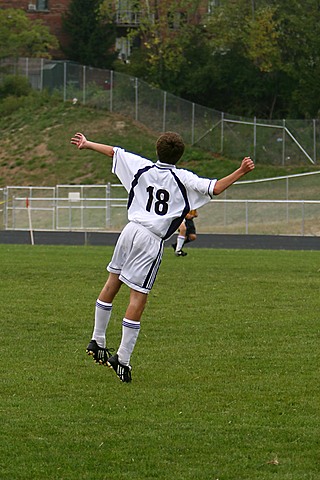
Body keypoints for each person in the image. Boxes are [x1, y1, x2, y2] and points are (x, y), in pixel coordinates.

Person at [70, 131, 255, 383]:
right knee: (138, 296)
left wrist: (87, 143)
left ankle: (97, 339)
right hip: (150, 239)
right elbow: (216, 187)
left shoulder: (141, 165)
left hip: (129, 230)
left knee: (112, 283)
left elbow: (114, 151)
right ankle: (122, 358)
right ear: (179, 155)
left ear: (157, 150)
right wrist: (241, 170)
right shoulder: (183, 178)